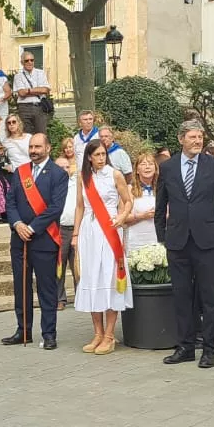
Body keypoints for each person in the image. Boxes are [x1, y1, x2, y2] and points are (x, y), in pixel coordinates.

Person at [157, 121, 214, 368]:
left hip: (208, 240)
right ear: (181, 139)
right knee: (181, 296)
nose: (197, 141)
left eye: (200, 137)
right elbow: (161, 204)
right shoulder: (168, 167)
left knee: (208, 296)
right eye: (192, 137)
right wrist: (162, 235)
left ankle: (209, 350)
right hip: (178, 241)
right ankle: (185, 347)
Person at [5, 133, 69, 349]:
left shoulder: (59, 174)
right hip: (19, 239)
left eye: (38, 147)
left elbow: (55, 208)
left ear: (48, 148)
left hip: (44, 239)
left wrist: (31, 227)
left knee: (46, 288)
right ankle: (23, 330)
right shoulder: (20, 172)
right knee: (21, 287)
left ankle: (49, 333)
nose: (33, 150)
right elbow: (10, 202)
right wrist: (17, 224)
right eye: (31, 147)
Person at [75, 139, 134, 354]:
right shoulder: (83, 177)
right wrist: (75, 234)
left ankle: (109, 335)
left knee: (109, 276)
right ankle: (97, 333)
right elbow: (80, 207)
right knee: (92, 277)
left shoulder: (115, 174)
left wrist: (122, 216)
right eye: (96, 155)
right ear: (89, 157)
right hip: (89, 231)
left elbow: (128, 200)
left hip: (109, 228)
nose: (100, 158)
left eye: (103, 154)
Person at [56, 138, 81, 307]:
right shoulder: (53, 186)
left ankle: (81, 297)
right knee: (59, 265)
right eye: (61, 168)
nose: (65, 170)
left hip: (77, 228)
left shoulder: (77, 183)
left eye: (67, 167)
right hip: (60, 229)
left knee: (78, 266)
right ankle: (59, 299)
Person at [124, 153, 160, 252]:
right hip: (135, 240)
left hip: (157, 239)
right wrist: (142, 216)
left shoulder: (162, 189)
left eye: (150, 164)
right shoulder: (129, 189)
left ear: (155, 168)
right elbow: (123, 218)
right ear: (137, 170)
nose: (147, 167)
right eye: (143, 164)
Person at [13, 52, 52, 136]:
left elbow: (45, 90)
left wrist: (28, 90)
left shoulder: (40, 73)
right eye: (27, 60)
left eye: (32, 60)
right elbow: (21, 93)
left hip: (39, 107)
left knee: (42, 135)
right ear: (22, 62)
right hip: (24, 108)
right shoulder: (18, 76)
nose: (30, 62)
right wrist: (38, 90)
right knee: (26, 136)